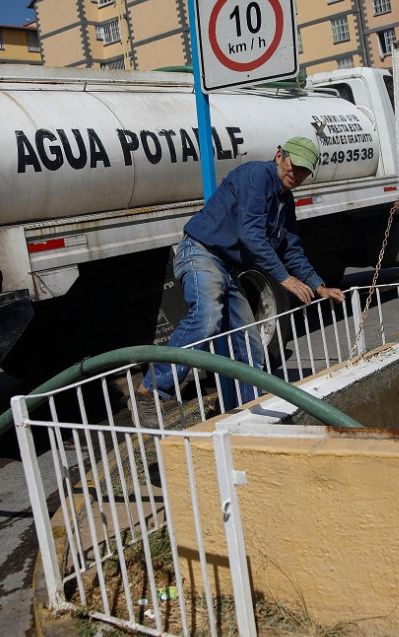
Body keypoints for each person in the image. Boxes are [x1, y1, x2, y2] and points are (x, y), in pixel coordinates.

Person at [138, 136, 344, 423]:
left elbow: (291, 248)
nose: (296, 174)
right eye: (293, 165)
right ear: (279, 155)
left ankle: (250, 416)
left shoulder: (285, 201)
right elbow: (251, 232)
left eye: (304, 171)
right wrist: (283, 279)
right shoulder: (256, 175)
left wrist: (318, 285)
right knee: (207, 317)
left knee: (250, 345)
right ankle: (151, 392)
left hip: (228, 267)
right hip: (201, 253)